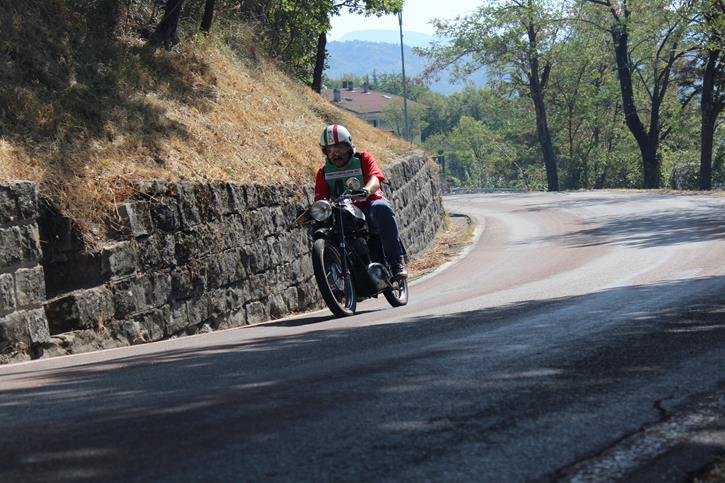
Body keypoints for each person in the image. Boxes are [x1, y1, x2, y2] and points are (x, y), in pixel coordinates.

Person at [314, 123, 407, 279]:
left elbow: (375, 179)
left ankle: (396, 262)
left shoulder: (363, 159)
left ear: (349, 146)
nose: (336, 154)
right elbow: (320, 199)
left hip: (368, 205)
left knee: (381, 208)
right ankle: (332, 276)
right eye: (330, 150)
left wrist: (366, 190)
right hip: (343, 212)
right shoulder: (323, 172)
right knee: (320, 230)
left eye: (340, 148)